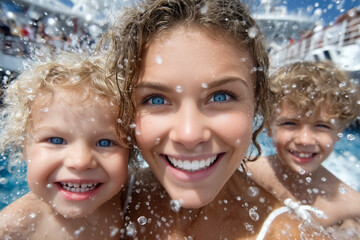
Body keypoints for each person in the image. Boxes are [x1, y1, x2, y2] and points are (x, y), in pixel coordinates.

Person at [100, 0, 331, 238]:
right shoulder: (104, 199)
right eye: (157, 99)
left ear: (258, 101)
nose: (189, 135)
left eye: (221, 96)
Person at [0, 51, 129, 239]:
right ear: (24, 147)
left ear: (130, 153)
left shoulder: (131, 199)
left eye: (105, 142)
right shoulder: (13, 227)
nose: (81, 161)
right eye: (56, 140)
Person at [246, 61, 360, 228]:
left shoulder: (350, 206)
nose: (305, 140)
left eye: (322, 126)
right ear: (269, 127)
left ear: (339, 133)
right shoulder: (245, 173)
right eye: (290, 124)